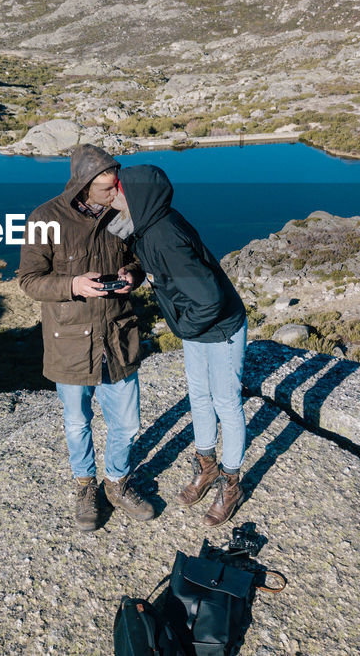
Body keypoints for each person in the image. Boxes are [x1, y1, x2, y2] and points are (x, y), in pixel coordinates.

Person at [17, 144, 155, 532]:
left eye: (116, 187)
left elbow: (139, 261)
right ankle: (84, 485)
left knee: (127, 424)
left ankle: (117, 482)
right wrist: (74, 284)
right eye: (107, 189)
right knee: (77, 422)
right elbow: (29, 280)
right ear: (83, 185)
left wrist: (132, 275)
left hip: (117, 335)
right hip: (72, 341)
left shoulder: (121, 214)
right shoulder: (45, 218)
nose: (116, 195)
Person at [107, 164, 249, 526]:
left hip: (219, 327)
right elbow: (162, 271)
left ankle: (231, 483)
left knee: (226, 403)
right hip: (198, 326)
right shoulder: (149, 228)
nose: (112, 198)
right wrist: (135, 274)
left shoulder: (162, 235)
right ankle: (207, 466)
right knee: (200, 398)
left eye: (117, 192)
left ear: (136, 197)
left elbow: (210, 298)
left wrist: (184, 328)